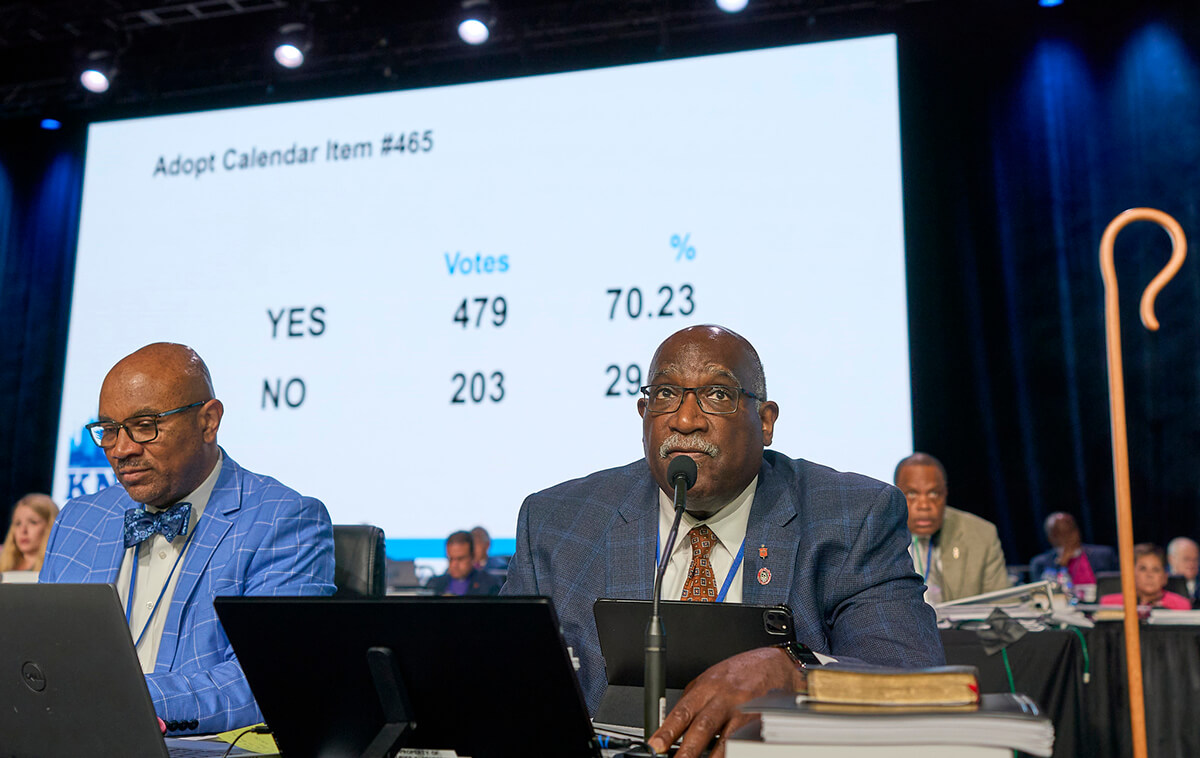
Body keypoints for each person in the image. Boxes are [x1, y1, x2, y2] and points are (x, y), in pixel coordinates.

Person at [502, 325, 942, 758]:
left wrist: (797, 674)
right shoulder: (557, 524)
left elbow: (913, 680)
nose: (685, 420)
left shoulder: (850, 517)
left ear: (765, 422)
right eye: (665, 394)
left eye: (717, 395)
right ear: (643, 416)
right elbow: (501, 689)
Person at [40, 343, 336, 734]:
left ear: (208, 421)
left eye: (145, 425)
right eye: (109, 431)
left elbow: (267, 679)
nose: (122, 449)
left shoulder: (284, 520)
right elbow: (40, 656)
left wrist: (116, 699)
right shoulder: (78, 521)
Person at [894, 453, 1009, 603]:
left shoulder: (980, 534)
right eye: (912, 494)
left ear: (945, 494)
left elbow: (1003, 609)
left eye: (934, 493)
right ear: (895, 495)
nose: (924, 505)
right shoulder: (873, 536)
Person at [1028, 512, 1118, 589]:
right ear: (1050, 538)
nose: (1065, 538)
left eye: (1068, 531)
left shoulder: (1104, 555)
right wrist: (1061, 565)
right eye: (1058, 533)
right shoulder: (1040, 564)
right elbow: (1042, 595)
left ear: (1076, 532)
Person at [1099, 543, 1192, 609]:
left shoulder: (1181, 606)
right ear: (1131, 575)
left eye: (1155, 570)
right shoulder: (1109, 605)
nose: (1149, 575)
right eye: (1143, 569)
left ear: (1164, 577)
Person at [426, 530, 502, 596]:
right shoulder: (434, 584)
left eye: (460, 559)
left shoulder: (490, 584)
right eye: (451, 559)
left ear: (472, 556)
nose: (454, 565)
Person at [0, 493, 59, 573]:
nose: (23, 531)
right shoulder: (3, 566)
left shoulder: (57, 571)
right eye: (18, 523)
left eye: (33, 522)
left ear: (50, 526)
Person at [1166, 536, 1199, 606]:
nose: (1192, 564)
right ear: (1171, 559)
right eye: (1186, 559)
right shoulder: (1161, 582)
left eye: (1195, 559)